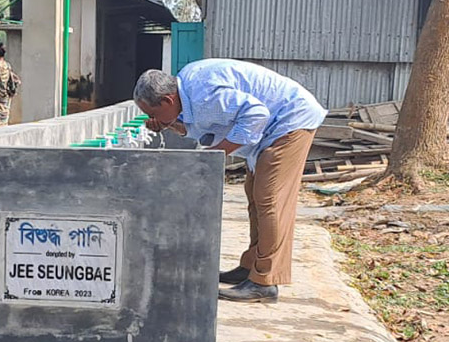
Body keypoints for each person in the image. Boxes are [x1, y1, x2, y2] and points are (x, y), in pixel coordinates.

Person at [133, 59, 327, 304]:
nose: (152, 118)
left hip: (290, 121)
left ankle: (265, 282)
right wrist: (170, 124)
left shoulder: (205, 94)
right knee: (254, 195)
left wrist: (216, 155)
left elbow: (256, 114)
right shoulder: (187, 89)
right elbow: (206, 127)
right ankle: (250, 268)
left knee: (269, 200)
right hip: (273, 127)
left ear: (168, 100)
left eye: (153, 113)